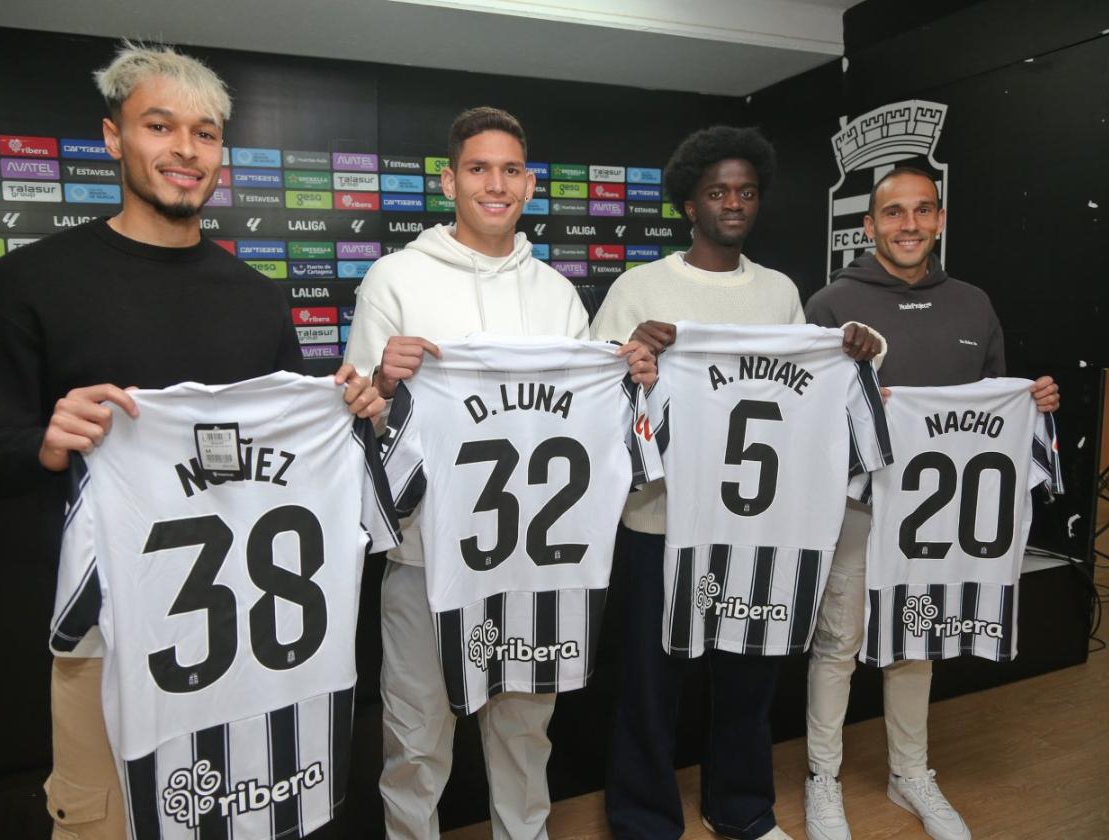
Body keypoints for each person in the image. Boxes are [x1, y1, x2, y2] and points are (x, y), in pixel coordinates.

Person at [0, 42, 382, 840]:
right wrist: (45, 441)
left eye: (205, 133)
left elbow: (284, 456)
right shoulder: (32, 281)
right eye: (160, 125)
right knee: (105, 826)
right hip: (112, 641)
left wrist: (348, 412)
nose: (185, 150)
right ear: (113, 138)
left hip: (254, 642)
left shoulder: (254, 297)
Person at [344, 106, 655, 840]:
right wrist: (384, 387)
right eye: (479, 168)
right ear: (450, 179)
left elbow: (591, 418)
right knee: (417, 734)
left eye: (511, 169)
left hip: (533, 560)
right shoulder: (394, 278)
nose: (496, 183)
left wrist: (630, 378)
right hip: (425, 553)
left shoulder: (552, 291)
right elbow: (356, 418)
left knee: (523, 730)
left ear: (529, 183)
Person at [592, 125, 882, 840]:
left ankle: (743, 809)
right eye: (718, 191)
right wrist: (634, 359)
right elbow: (595, 398)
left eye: (746, 192)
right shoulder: (640, 287)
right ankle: (643, 821)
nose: (733, 203)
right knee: (650, 688)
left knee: (749, 675)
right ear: (689, 203)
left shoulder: (781, 291)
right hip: (659, 524)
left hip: (756, 525)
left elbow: (807, 397)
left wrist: (854, 352)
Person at [801, 166, 1059, 840]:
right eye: (893, 213)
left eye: (921, 212)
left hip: (935, 510)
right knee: (839, 643)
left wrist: (1031, 404)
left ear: (940, 220)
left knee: (917, 639)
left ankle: (909, 773)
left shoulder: (974, 302)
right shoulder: (831, 303)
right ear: (870, 225)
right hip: (859, 505)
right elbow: (806, 412)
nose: (908, 225)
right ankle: (821, 778)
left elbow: (995, 397)